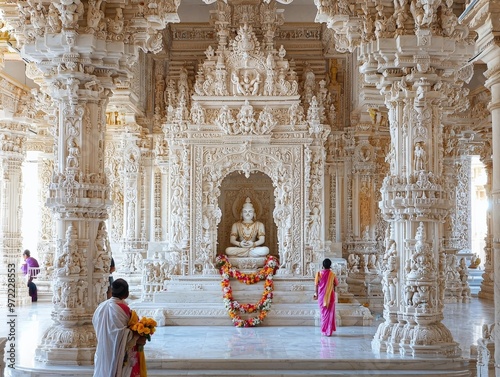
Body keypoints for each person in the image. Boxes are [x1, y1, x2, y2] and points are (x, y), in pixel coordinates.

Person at [92, 278, 146, 377]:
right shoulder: (125, 309)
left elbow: (97, 325)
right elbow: (130, 332)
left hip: (103, 348)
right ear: (127, 294)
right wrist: (138, 335)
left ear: (111, 291)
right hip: (118, 353)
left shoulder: (100, 307)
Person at [313, 258, 339, 336]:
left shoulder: (319, 273)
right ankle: (329, 331)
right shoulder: (332, 274)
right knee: (330, 313)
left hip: (321, 296)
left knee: (323, 313)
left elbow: (316, 285)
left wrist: (316, 294)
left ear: (323, 265)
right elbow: (336, 284)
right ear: (330, 265)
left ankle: (324, 330)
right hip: (330, 296)